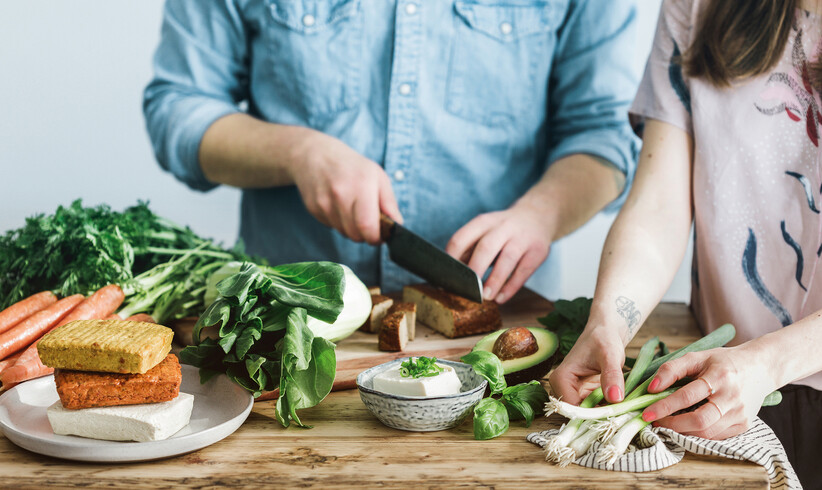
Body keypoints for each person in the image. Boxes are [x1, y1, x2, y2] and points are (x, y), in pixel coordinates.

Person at [143, 1, 639, 302]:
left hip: (501, 325)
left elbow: (604, 133)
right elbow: (178, 107)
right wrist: (298, 152)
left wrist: (541, 215)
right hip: (282, 323)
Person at [549, 0, 822, 485]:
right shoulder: (696, 6)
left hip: (754, 374)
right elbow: (659, 206)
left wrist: (769, 361)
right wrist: (609, 320)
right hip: (721, 395)